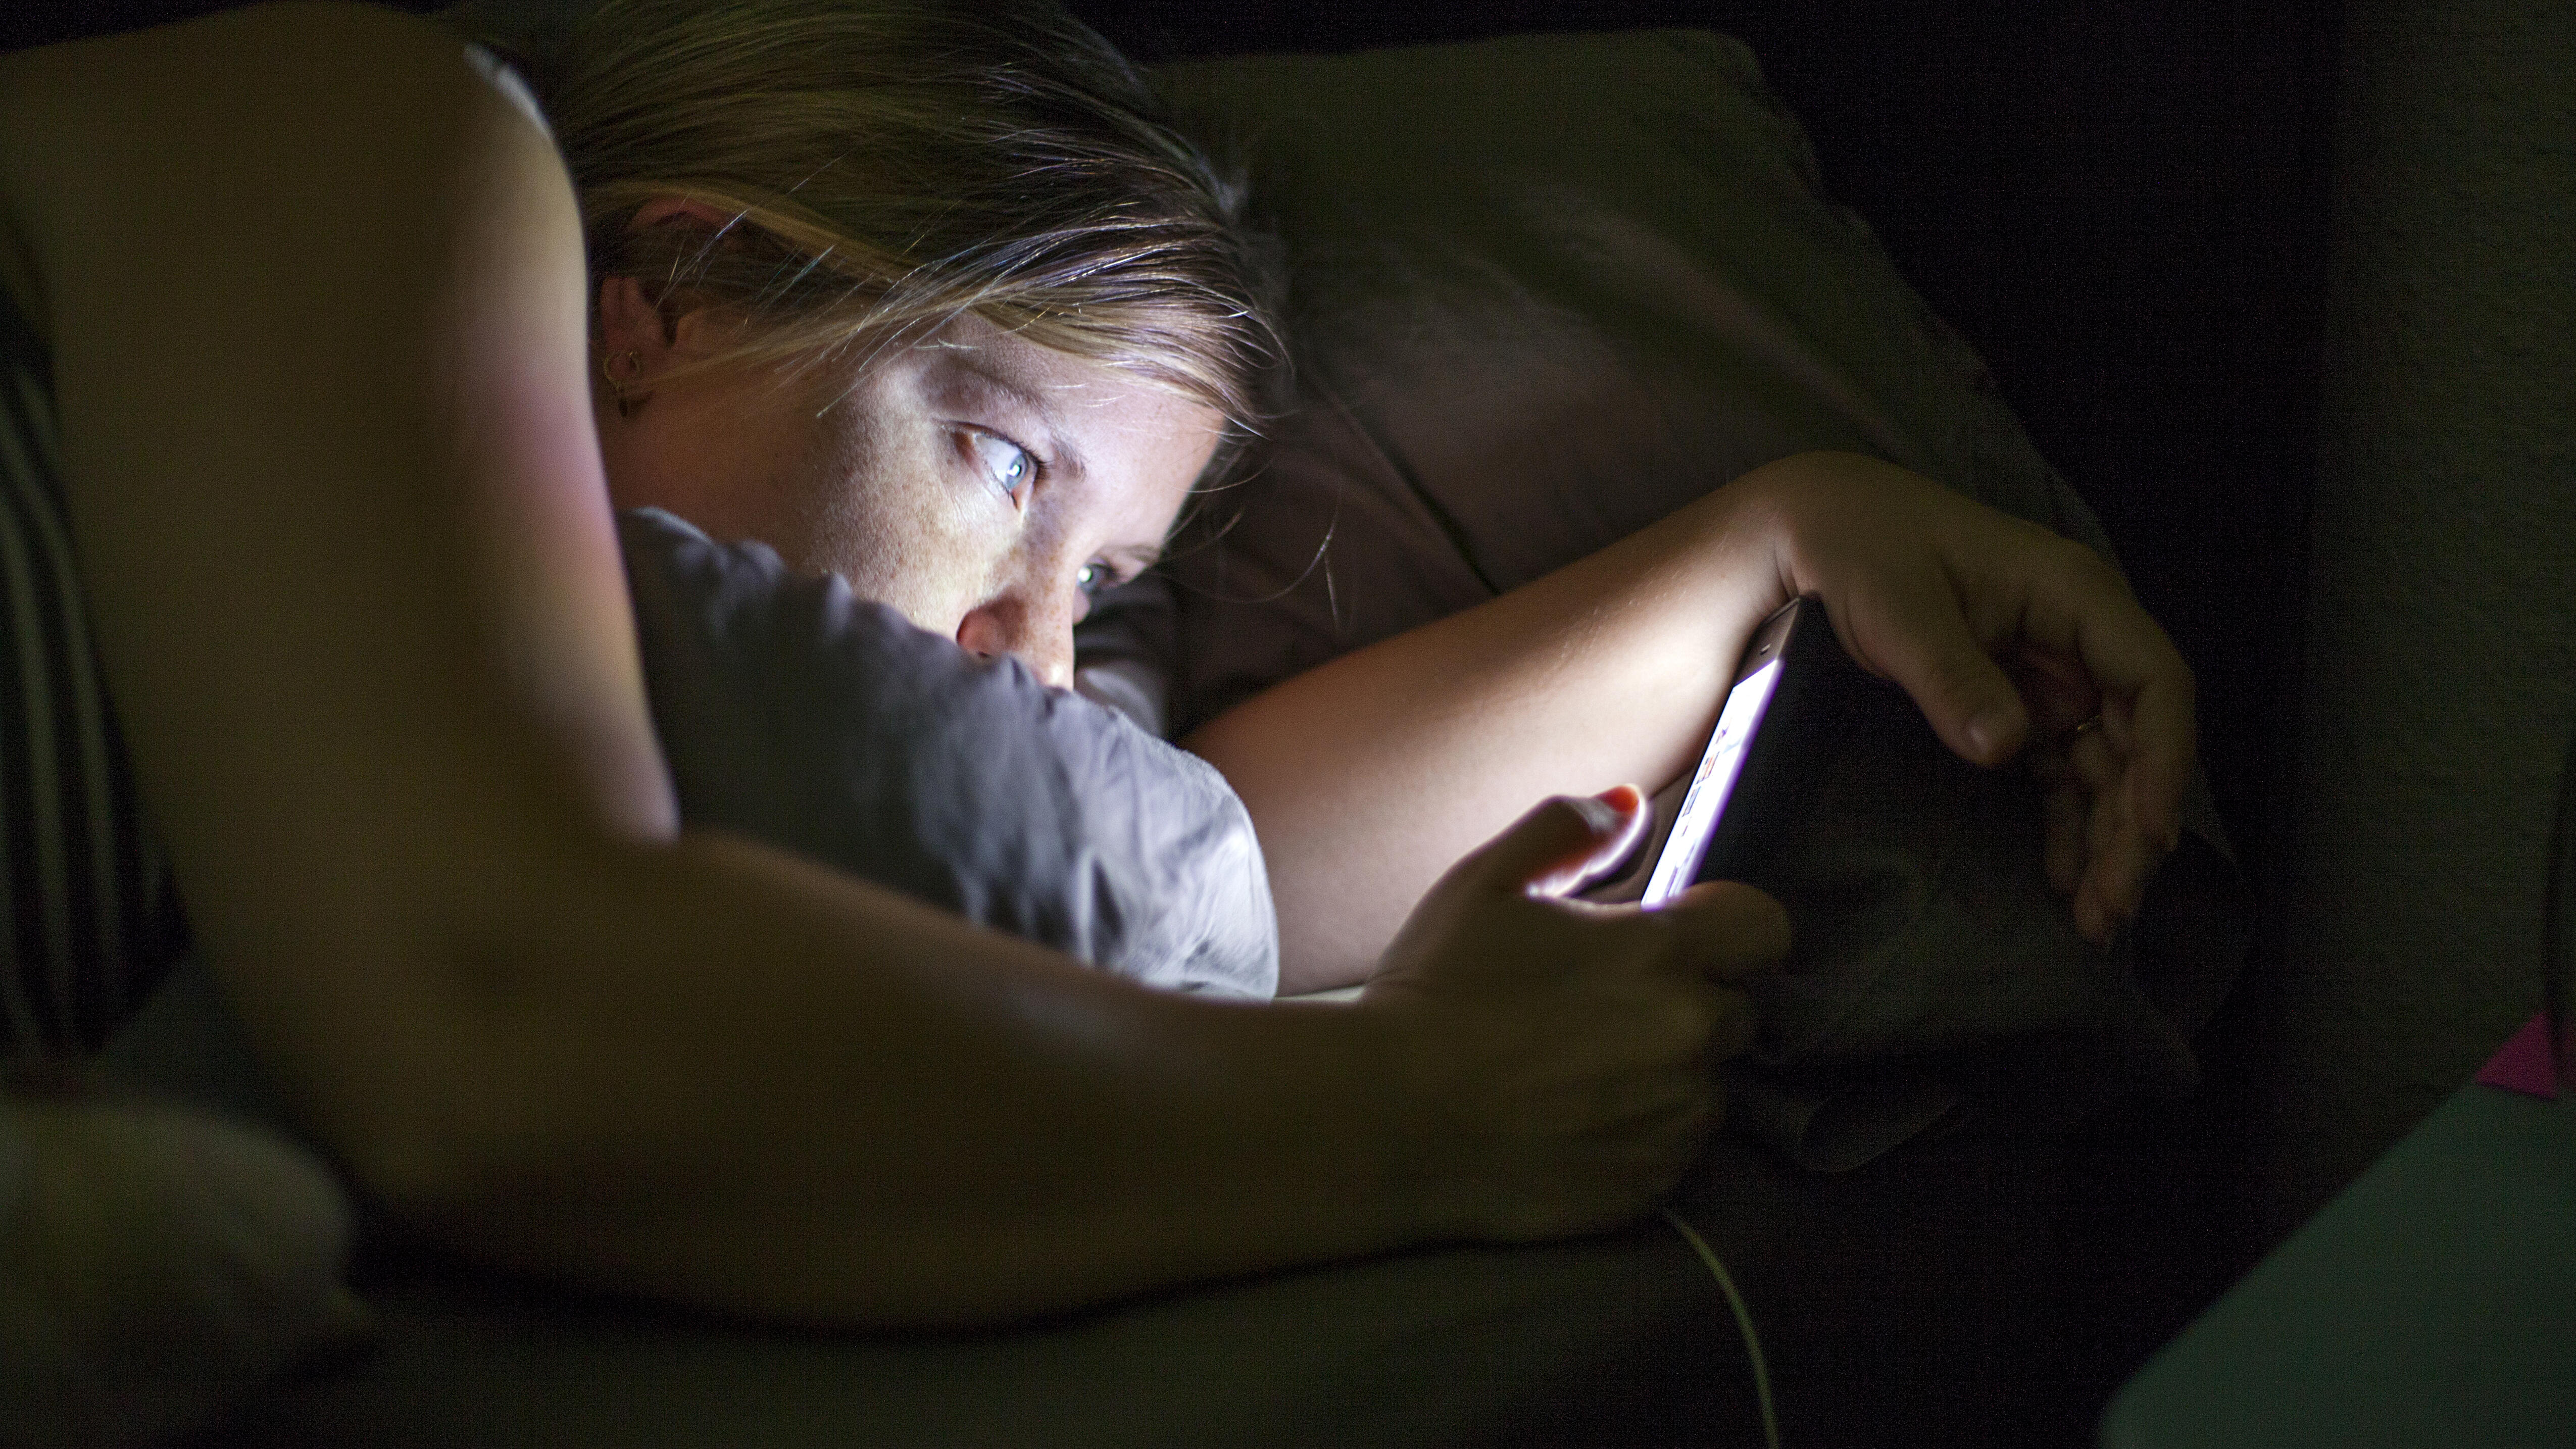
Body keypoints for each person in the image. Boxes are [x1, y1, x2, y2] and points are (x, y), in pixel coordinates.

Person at [0, 0, 2192, 1332]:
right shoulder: (365, 134)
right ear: (659, 297)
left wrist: (1775, 539)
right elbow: (490, 1012)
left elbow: (1203, 865)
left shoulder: (621, 693)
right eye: (1002, 463)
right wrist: (1408, 1113)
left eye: (1112, 583)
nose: (1024, 658)